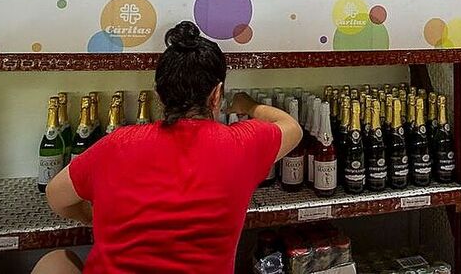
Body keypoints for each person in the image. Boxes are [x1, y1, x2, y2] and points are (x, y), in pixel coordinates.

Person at [33, 21, 303, 274]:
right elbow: (291, 127)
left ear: (160, 94)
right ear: (216, 94)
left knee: (54, 261)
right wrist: (248, 106)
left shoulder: (118, 143)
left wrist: (91, 217)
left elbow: (56, 196)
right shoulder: (242, 144)